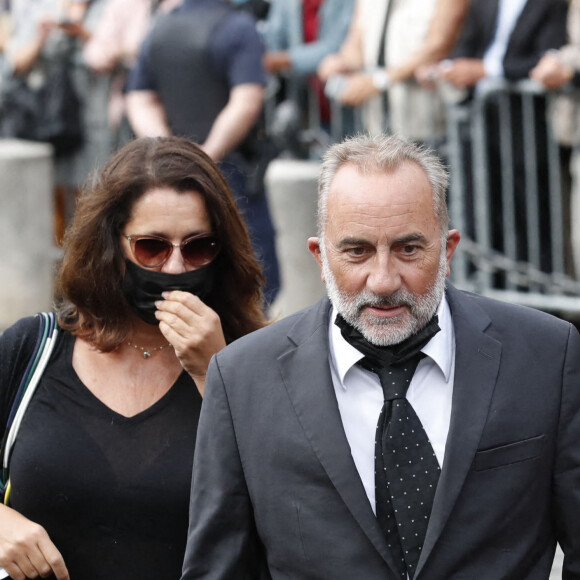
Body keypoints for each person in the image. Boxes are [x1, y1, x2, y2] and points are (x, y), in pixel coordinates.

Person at [181, 133, 580, 579]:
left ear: (447, 250)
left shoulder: (547, 356)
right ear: (320, 256)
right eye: (357, 251)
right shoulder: (242, 379)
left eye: (409, 249)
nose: (384, 279)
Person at [0, 136, 266, 580]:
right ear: (111, 245)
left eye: (198, 247)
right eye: (152, 247)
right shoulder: (34, 348)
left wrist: (217, 375)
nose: (176, 268)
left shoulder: (254, 360)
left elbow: (285, 513)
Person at [126, 0, 280, 305]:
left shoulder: (160, 27)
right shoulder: (240, 27)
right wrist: (207, 154)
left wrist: (169, 150)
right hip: (232, 174)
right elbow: (247, 100)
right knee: (253, 282)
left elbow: (139, 97)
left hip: (171, 178)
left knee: (175, 271)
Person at [316, 0, 468, 143]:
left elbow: (438, 46)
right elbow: (357, 42)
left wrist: (379, 81)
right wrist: (341, 62)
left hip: (429, 124)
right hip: (378, 124)